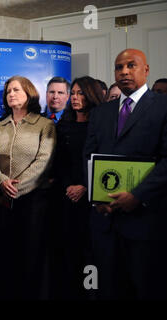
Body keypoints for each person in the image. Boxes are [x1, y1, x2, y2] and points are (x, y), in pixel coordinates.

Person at [84, 49, 167, 299]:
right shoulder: (101, 113)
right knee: (108, 289)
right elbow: (89, 156)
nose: (124, 72)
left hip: (147, 220)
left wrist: (136, 195)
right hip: (105, 220)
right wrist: (97, 197)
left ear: (146, 70)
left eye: (132, 66)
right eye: (119, 67)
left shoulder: (163, 106)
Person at [0, 75, 56, 299]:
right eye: (8, 91)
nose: (11, 94)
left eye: (16, 90)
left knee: (30, 256)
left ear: (29, 94)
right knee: (5, 255)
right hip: (2, 201)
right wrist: (1, 182)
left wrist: (17, 187)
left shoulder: (44, 125)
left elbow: (44, 161)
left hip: (33, 202)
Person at [52, 76, 104, 299]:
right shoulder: (64, 124)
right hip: (64, 196)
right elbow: (58, 162)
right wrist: (67, 187)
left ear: (91, 95)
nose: (74, 97)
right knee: (66, 250)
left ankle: (89, 293)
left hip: (92, 198)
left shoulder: (101, 124)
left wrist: (85, 185)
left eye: (80, 93)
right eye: (72, 93)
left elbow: (103, 160)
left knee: (89, 252)